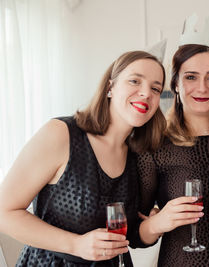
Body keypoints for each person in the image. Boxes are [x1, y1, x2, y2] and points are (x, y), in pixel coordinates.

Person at [0, 50, 167, 266]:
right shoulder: (61, 134)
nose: (146, 93)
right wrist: (76, 244)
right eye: (135, 81)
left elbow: (132, 236)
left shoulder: (140, 156)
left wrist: (156, 223)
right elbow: (4, 212)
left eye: (155, 88)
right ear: (110, 88)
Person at [137, 43, 209, 266]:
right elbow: (136, 234)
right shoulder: (154, 146)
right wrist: (157, 223)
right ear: (175, 84)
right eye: (191, 77)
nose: (202, 88)